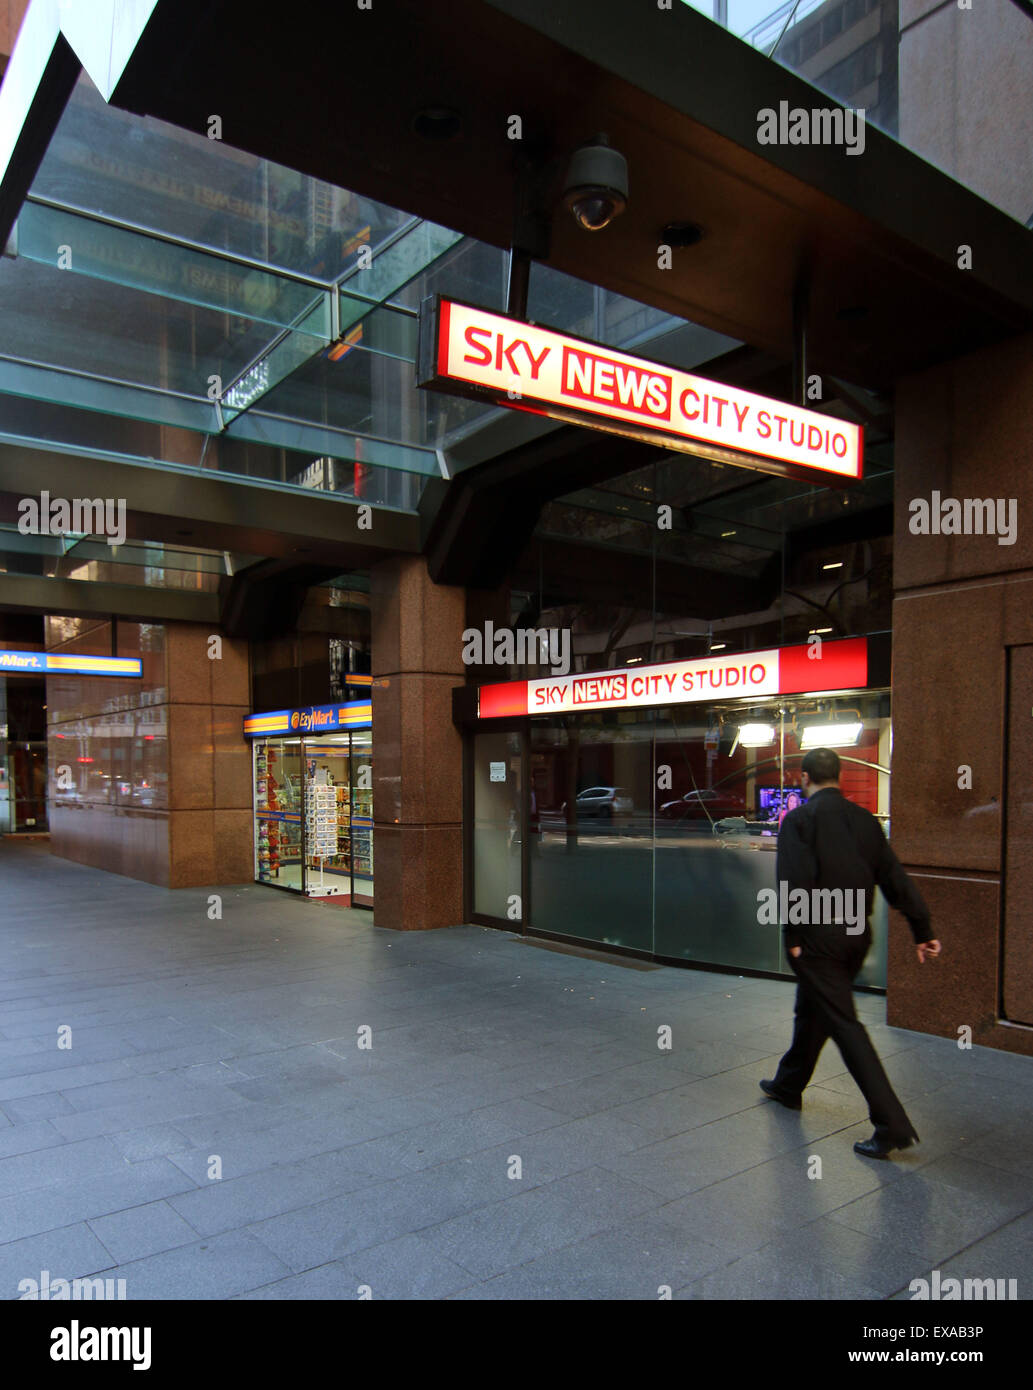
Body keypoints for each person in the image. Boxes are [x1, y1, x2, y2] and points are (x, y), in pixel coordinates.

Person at [760, 747, 942, 1159]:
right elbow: (894, 877)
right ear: (838, 778)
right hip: (856, 937)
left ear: (805, 779)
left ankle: (891, 1124)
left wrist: (792, 935)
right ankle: (788, 1085)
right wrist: (922, 928)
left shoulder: (799, 820)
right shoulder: (865, 822)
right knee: (813, 1009)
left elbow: (794, 881)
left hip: (816, 940)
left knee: (844, 1024)